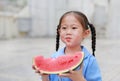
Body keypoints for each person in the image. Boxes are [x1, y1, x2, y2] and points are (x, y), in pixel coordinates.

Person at [32, 11, 102, 81]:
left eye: (74, 28)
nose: (68, 32)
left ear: (85, 33)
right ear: (59, 32)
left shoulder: (90, 61)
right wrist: (44, 75)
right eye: (64, 28)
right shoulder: (54, 57)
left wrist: (79, 79)